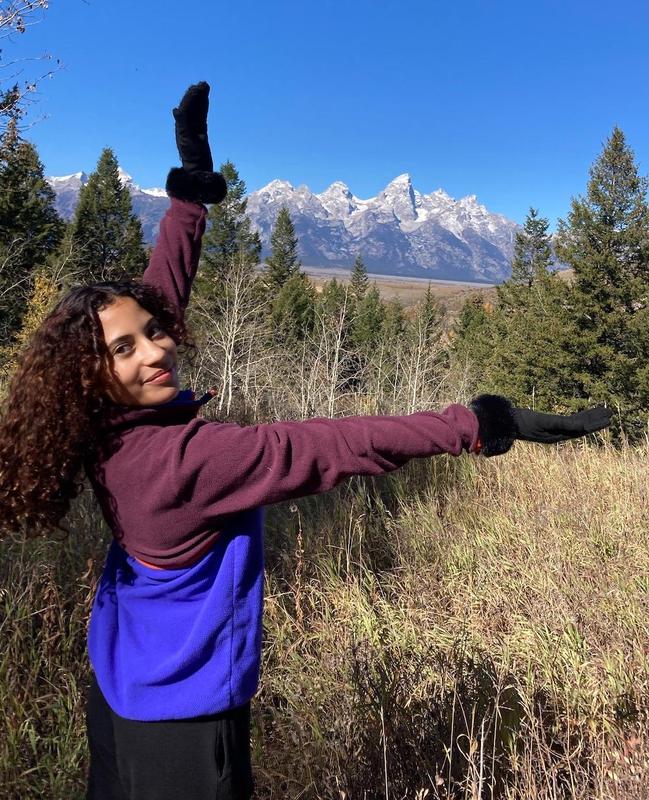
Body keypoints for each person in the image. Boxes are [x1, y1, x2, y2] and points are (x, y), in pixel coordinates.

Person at [0, 83, 612, 800]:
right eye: (126, 348)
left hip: (122, 681)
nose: (157, 350)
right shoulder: (189, 462)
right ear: (90, 373)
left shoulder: (103, 424)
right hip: (183, 716)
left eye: (156, 332)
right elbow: (330, 443)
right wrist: (476, 423)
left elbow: (151, 305)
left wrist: (188, 205)